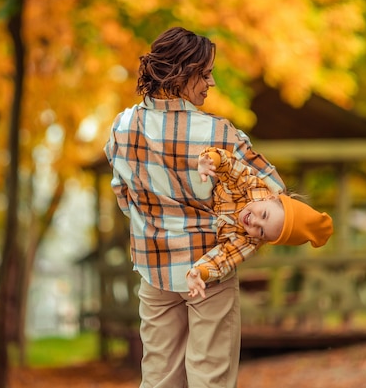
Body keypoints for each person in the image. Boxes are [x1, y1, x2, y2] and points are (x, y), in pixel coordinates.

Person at [104, 27, 285, 388]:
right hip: (212, 267)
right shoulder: (220, 135)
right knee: (209, 377)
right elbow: (273, 192)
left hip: (153, 265)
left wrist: (156, 224)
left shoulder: (122, 128)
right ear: (180, 73)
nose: (211, 82)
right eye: (204, 74)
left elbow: (123, 196)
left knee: (159, 376)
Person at [187, 147, 334, 299]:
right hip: (201, 186)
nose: (255, 222)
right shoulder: (251, 187)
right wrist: (210, 161)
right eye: (264, 215)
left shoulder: (249, 242)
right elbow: (231, 167)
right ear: (270, 198)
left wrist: (200, 272)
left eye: (262, 232)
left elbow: (224, 260)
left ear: (264, 240)